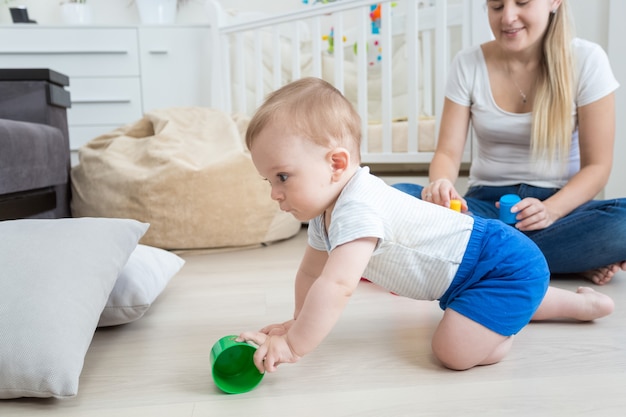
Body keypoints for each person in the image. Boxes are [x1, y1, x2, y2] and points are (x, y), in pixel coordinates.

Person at [237, 77, 614, 375]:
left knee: (452, 352)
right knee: (483, 310)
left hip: (498, 261)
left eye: (282, 177)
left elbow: (336, 285)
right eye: (268, 181)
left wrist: (294, 345)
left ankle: (506, 323)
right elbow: (310, 274)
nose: (275, 193)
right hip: (475, 274)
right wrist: (298, 322)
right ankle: (578, 306)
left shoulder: (358, 206)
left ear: (336, 164)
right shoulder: (324, 214)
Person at [393, 0, 626, 286]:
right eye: (497, 6)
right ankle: (566, 260)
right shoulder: (468, 63)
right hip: (485, 208)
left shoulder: (588, 59)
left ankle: (482, 257)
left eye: (522, 3)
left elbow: (598, 166)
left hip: (561, 209)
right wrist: (441, 184)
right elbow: (447, 152)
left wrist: (550, 211)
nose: (508, 17)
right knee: (398, 197)